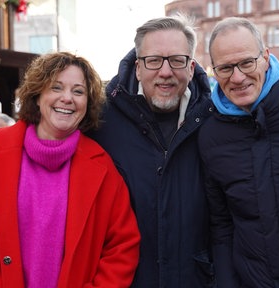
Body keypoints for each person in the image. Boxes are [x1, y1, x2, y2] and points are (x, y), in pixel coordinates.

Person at [0, 51, 141, 287]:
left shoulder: (103, 169)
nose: (67, 98)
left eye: (78, 91)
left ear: (87, 105)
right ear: (37, 95)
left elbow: (122, 246)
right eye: (56, 87)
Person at [85, 14, 215, 287]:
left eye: (177, 60)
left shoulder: (215, 120)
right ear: (137, 68)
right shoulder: (99, 121)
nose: (165, 72)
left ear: (191, 67)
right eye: (153, 60)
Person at [197, 17, 279, 287]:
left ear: (265, 57)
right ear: (214, 71)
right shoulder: (210, 135)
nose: (238, 77)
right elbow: (221, 225)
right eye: (226, 68)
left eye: (246, 63)